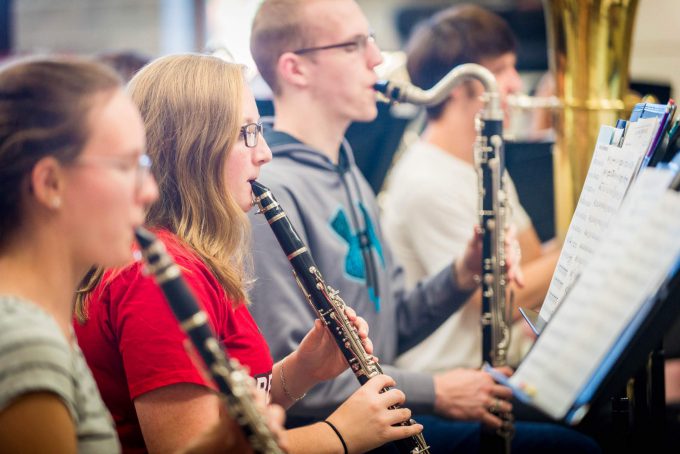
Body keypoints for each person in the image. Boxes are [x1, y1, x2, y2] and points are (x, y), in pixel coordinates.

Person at [247, 0, 599, 452]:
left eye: (371, 40)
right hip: (344, 435)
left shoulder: (349, 173)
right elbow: (297, 381)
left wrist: (462, 271)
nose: (377, 59)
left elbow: (394, 323)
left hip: (388, 412)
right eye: (354, 45)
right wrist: (438, 391)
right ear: (296, 70)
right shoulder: (271, 191)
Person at [74, 53, 422, 454]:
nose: (265, 154)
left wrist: (302, 370)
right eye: (246, 134)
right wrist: (339, 435)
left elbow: (231, 422)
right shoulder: (159, 278)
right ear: (193, 148)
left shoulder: (195, 259)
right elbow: (192, 449)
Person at [0, 56, 262, 454]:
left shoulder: (39, 324)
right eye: (125, 166)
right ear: (50, 182)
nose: (148, 191)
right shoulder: (25, 343)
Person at [381, 4, 561, 373]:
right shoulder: (426, 181)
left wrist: (576, 240)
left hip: (500, 368)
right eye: (499, 71)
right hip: (448, 383)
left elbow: (529, 262)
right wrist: (589, 254)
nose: (513, 83)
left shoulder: (483, 160)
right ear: (456, 88)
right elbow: (498, 303)